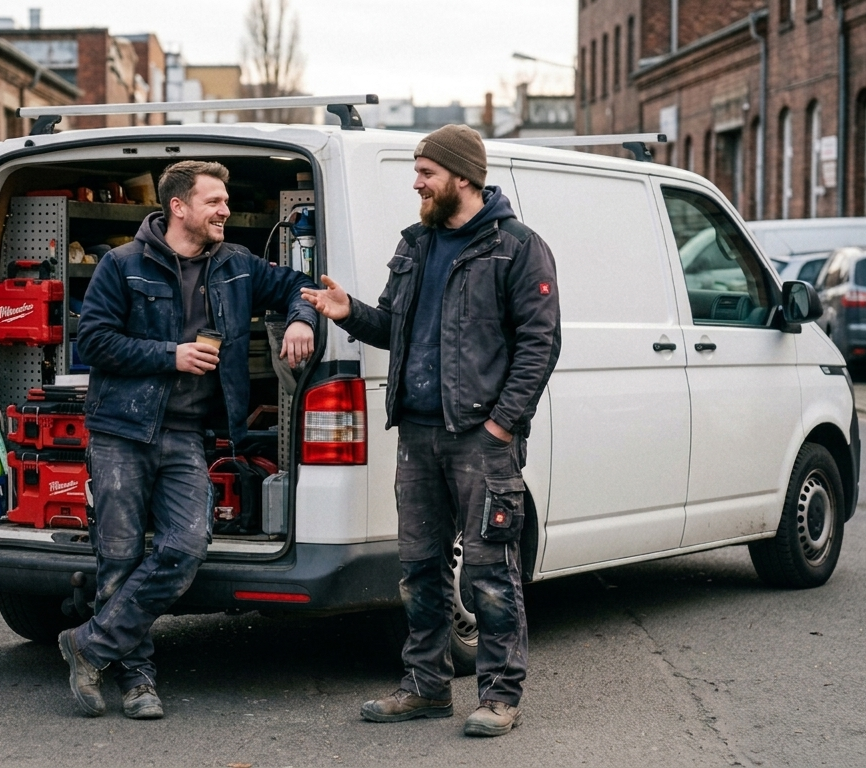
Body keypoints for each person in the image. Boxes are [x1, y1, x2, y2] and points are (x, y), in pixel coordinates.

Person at [300, 125, 560, 737]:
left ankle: (499, 695)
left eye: (426, 173)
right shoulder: (415, 243)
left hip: (480, 439)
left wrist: (502, 425)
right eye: (416, 172)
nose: (416, 183)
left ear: (463, 176)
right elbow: (396, 325)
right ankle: (425, 687)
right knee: (419, 568)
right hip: (417, 435)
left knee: (490, 571)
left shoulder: (516, 247)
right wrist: (350, 313)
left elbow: (540, 344)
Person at [65, 160, 318, 719]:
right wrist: (170, 356)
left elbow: (302, 284)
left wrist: (301, 318)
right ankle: (137, 681)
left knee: (183, 547)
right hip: (121, 431)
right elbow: (96, 342)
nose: (225, 210)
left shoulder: (236, 267)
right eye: (214, 201)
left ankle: (89, 644)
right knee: (121, 558)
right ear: (179, 207)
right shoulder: (122, 265)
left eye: (226, 200)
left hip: (184, 435)